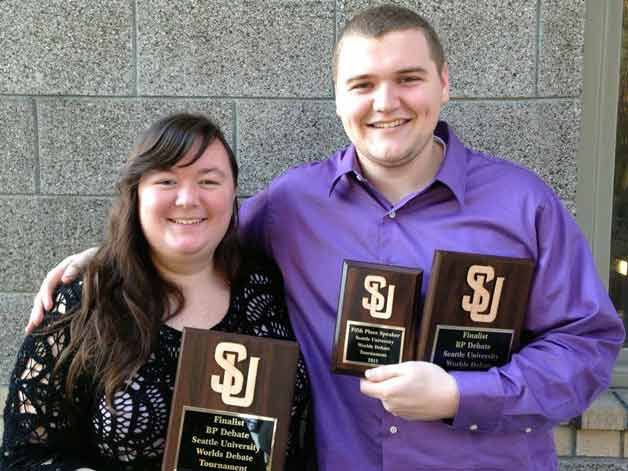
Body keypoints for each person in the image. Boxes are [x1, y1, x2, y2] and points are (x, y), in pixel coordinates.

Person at [25, 5, 625, 470]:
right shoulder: (292, 204)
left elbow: (587, 345)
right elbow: (193, 228)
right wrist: (104, 258)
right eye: (362, 84)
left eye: (408, 79)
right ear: (338, 98)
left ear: (444, 83)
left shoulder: (523, 205)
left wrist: (461, 394)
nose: (385, 103)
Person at [2, 113, 312, 470]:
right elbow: (24, 456)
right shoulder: (84, 303)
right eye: (166, 180)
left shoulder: (270, 288)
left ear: (233, 193)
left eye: (209, 181)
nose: (187, 199)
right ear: (137, 194)